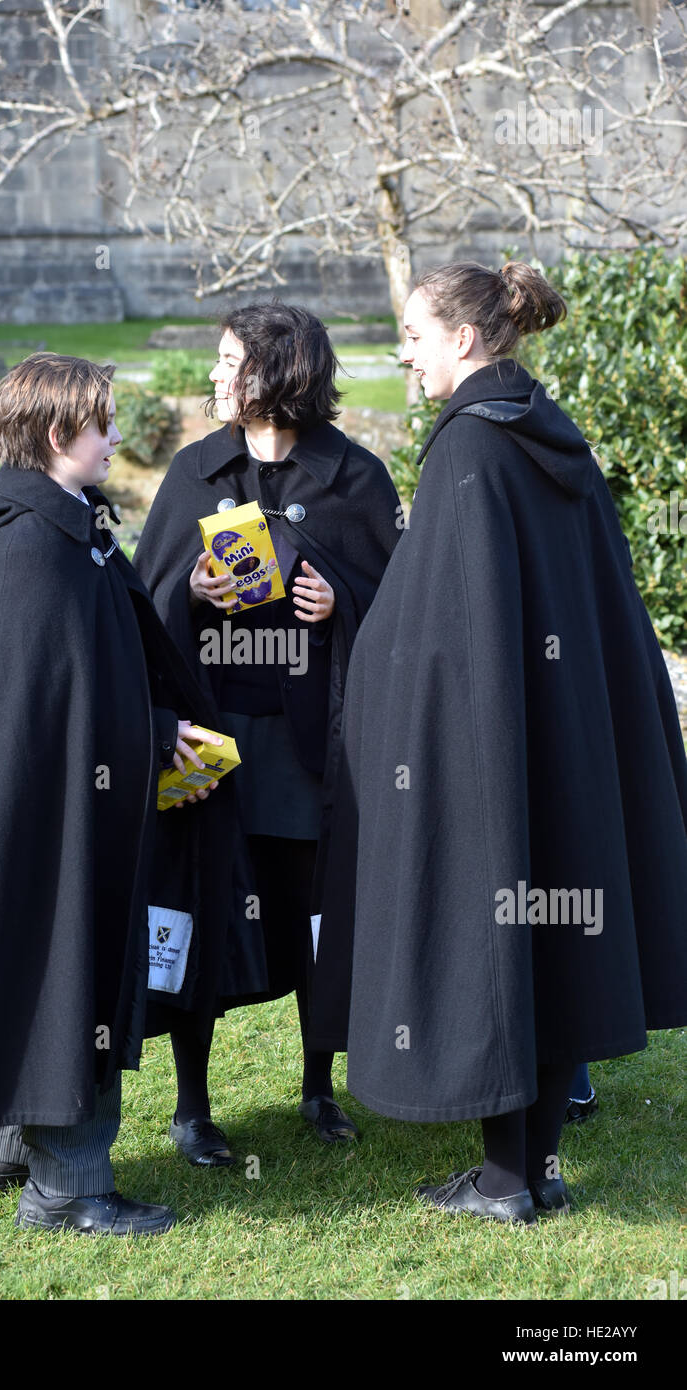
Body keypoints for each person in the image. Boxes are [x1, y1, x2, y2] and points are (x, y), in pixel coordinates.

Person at [309, 261, 687, 1224]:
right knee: (556, 941)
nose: (402, 351)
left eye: (413, 333)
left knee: (494, 941)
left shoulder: (469, 450)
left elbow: (434, 629)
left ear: (465, 340)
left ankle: (506, 1180)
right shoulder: (548, 433)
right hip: (565, 737)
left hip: (492, 745)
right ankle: (533, 1169)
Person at [0, 352, 219, 1236]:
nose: (114, 442)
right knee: (67, 960)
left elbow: (87, 685)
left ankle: (3, 1145)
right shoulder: (36, 548)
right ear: (61, 435)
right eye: (103, 427)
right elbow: (50, 712)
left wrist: (154, 723)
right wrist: (148, 735)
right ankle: (69, 1186)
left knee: (26, 950)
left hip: (53, 807)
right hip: (56, 815)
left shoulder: (62, 529)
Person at [133, 301, 403, 1164]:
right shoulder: (192, 473)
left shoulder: (354, 479)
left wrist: (342, 605)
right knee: (205, 901)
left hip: (307, 742)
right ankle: (191, 1105)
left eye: (226, 361)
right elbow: (144, 601)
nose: (213, 376)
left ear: (275, 374)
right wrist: (192, 595)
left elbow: (399, 607)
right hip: (213, 736)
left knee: (310, 909)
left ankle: (318, 1087)